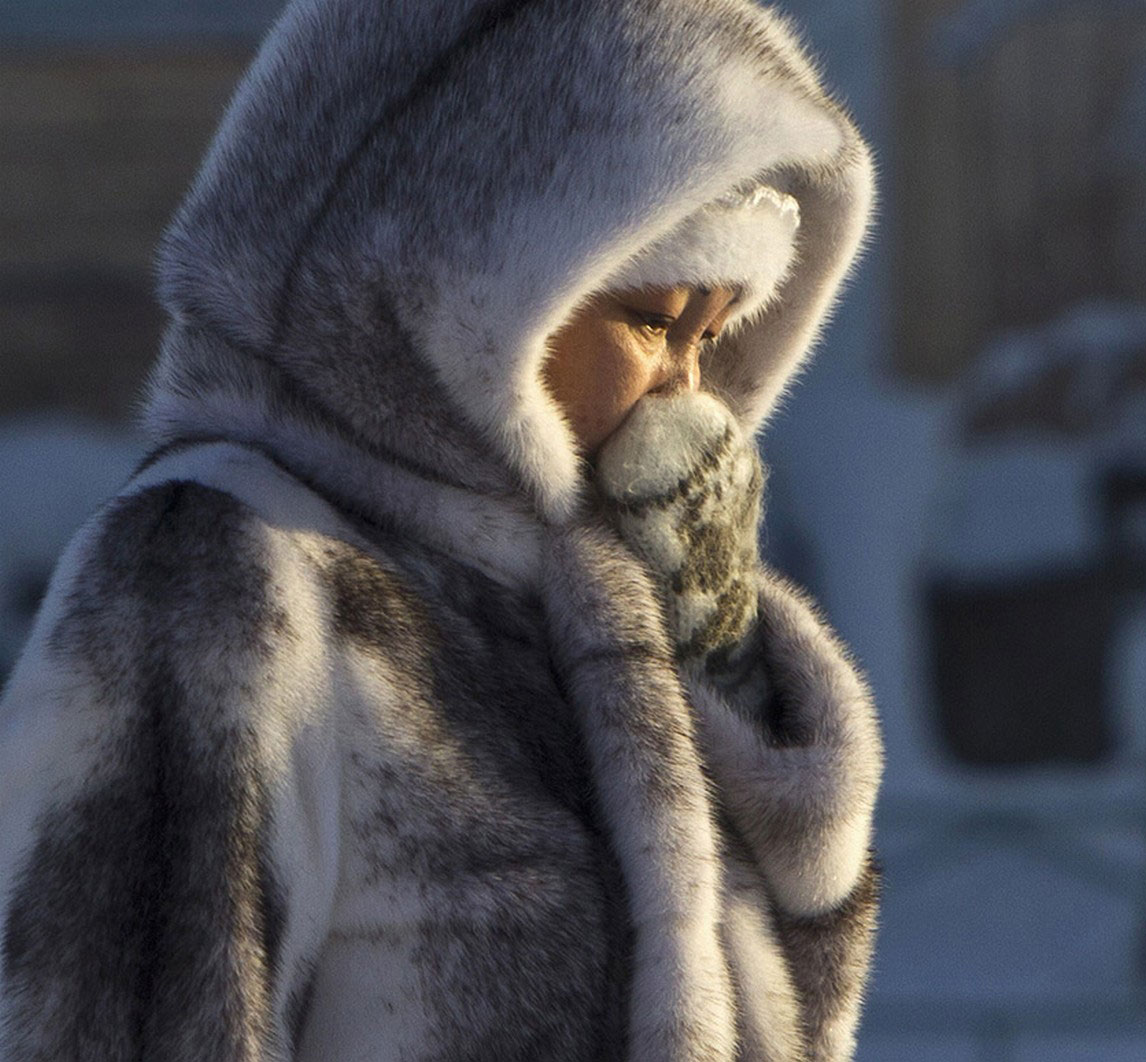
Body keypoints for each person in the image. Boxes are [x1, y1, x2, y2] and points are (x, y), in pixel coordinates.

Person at [0, 0, 882, 1058]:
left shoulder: (611, 613)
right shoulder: (227, 570)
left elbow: (798, 1021)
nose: (688, 387)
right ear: (478, 284)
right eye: (653, 323)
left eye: (710, 334)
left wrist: (728, 669)